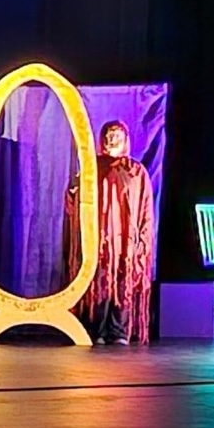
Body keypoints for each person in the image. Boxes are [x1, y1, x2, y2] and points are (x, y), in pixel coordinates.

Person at [63, 120, 155, 345]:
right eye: (109, 135)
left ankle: (119, 330)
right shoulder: (92, 168)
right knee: (99, 280)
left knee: (123, 280)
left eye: (117, 135)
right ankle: (98, 329)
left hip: (125, 239)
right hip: (99, 237)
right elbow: (75, 201)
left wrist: (143, 238)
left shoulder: (135, 171)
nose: (112, 139)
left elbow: (144, 207)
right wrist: (74, 191)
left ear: (125, 139)